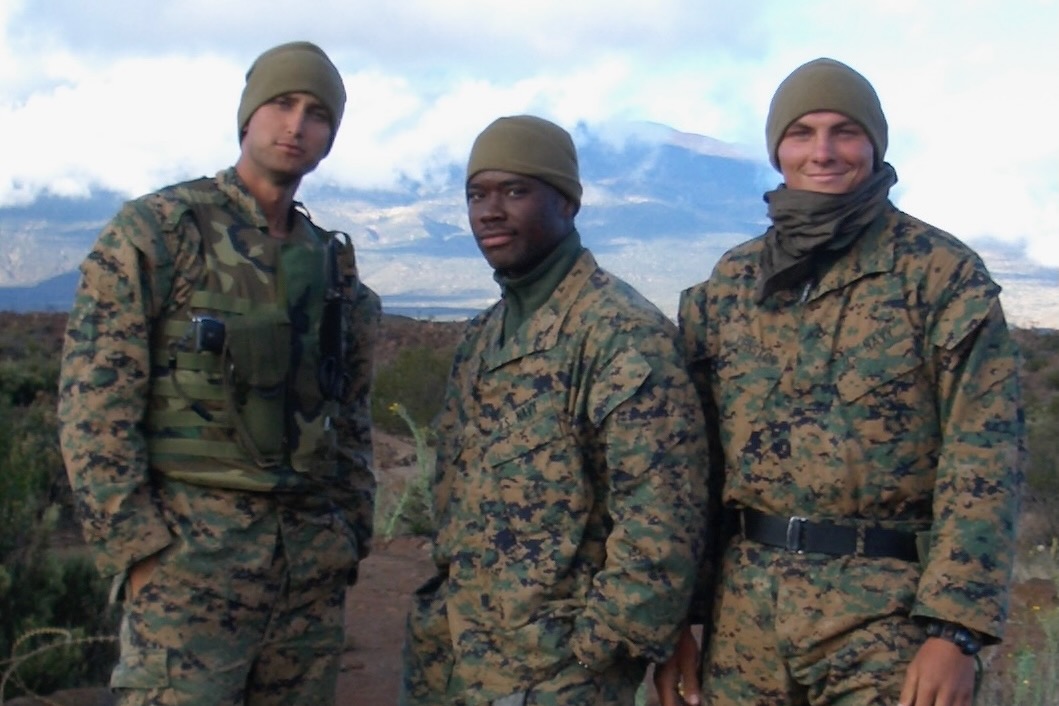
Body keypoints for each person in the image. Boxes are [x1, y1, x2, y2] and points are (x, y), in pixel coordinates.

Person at [656, 57, 1025, 706]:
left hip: (885, 626)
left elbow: (983, 460)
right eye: (800, 133)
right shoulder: (730, 285)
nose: (821, 152)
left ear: (874, 143)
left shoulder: (938, 276)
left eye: (843, 131)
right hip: (745, 625)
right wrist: (678, 619)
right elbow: (695, 467)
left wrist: (955, 630)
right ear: (776, 150)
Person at [57, 41, 380, 706]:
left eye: (317, 113)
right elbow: (95, 406)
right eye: (281, 103)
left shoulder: (331, 264)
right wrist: (139, 551)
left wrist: (348, 532)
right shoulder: (159, 231)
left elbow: (348, 414)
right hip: (189, 571)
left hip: (305, 579)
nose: (296, 125)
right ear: (247, 114)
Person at [399, 115, 710, 706]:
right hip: (452, 661)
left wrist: (591, 655)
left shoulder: (619, 335)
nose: (490, 211)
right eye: (476, 194)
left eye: (515, 191)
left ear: (566, 203)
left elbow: (664, 522)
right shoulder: (483, 337)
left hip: (556, 676)